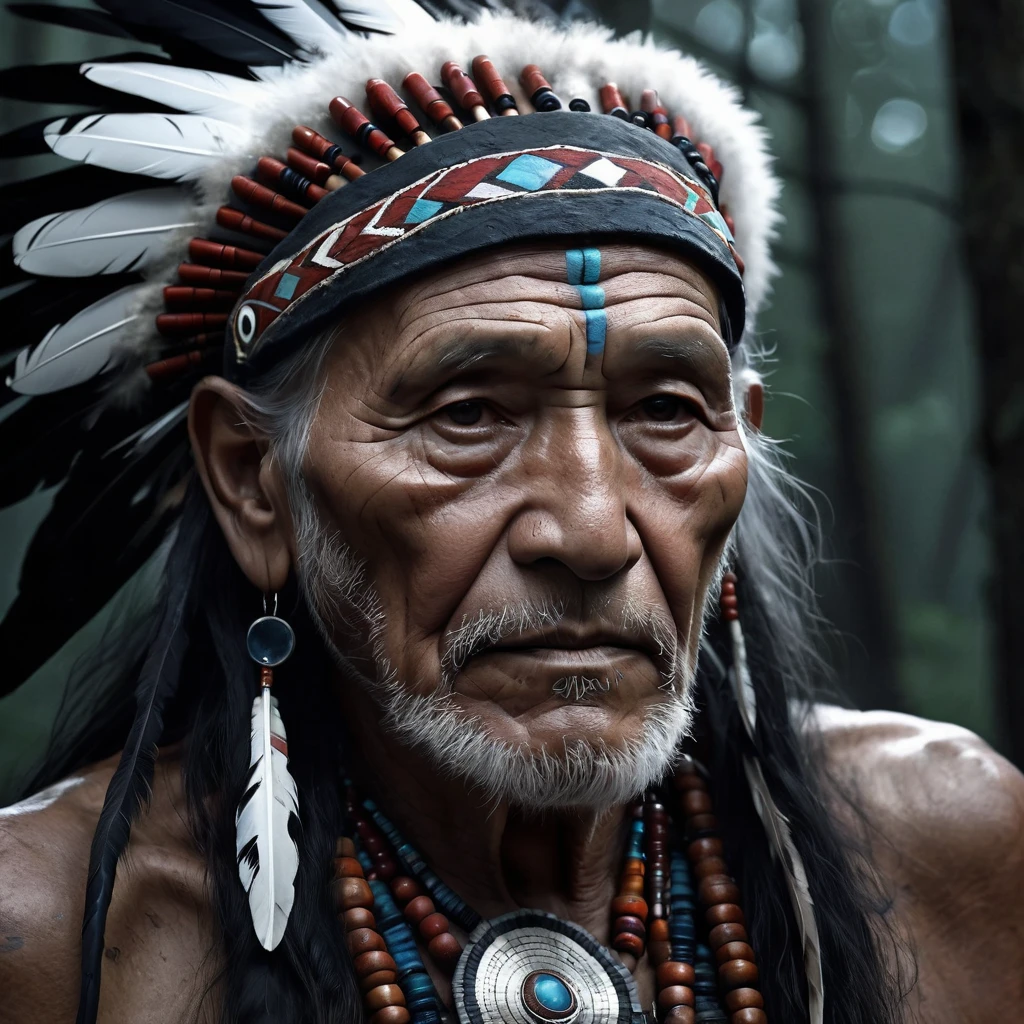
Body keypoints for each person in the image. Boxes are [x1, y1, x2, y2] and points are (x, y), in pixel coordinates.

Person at [0, 4, 1021, 1024]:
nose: (589, 533)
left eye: (665, 412)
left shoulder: (949, 849)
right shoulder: (52, 940)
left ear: (739, 442)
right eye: (468, 416)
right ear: (252, 477)